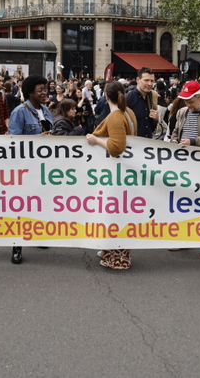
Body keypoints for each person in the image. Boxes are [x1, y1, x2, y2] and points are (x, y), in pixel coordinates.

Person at [87, 81, 137, 269]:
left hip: (116, 171)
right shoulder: (128, 112)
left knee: (114, 213)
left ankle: (118, 258)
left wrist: (96, 140)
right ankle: (111, 250)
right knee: (117, 212)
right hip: (123, 171)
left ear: (106, 97)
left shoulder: (116, 116)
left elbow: (116, 147)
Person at [8, 75, 53, 264]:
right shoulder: (19, 112)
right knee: (22, 206)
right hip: (25, 167)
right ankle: (17, 245)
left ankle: (38, 235)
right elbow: (14, 141)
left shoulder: (46, 110)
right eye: (40, 90)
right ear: (29, 92)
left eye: (45, 89)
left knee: (39, 203)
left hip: (43, 167)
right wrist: (37, 141)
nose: (44, 93)